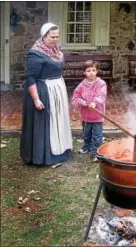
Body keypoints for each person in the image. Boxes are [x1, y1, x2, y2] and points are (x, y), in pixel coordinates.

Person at [20, 23, 73, 166]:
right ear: (43, 36)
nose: (55, 39)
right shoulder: (35, 54)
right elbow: (31, 78)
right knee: (45, 122)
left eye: (57, 37)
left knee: (57, 119)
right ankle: (42, 156)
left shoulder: (55, 50)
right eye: (52, 37)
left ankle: (61, 150)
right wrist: (36, 100)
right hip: (43, 91)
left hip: (56, 89)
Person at [72, 60, 107, 162]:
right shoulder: (82, 85)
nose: (91, 72)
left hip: (97, 116)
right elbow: (75, 97)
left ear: (97, 71)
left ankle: (96, 152)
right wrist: (82, 102)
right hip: (86, 116)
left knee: (97, 135)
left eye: (93, 70)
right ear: (84, 72)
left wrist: (94, 102)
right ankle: (86, 146)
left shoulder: (101, 83)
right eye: (88, 71)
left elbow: (101, 95)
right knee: (86, 133)